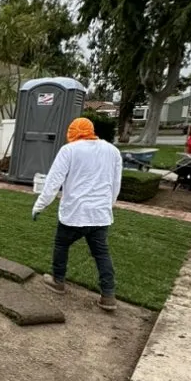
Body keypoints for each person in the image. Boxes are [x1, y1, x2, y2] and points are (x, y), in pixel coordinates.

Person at [32, 117, 123, 311]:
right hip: (100, 215)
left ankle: (58, 281)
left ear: (72, 133)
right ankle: (108, 295)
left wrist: (39, 206)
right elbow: (116, 184)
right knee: (101, 253)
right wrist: (109, 205)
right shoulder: (113, 151)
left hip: (74, 213)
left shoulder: (69, 151)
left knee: (61, 244)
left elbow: (53, 183)